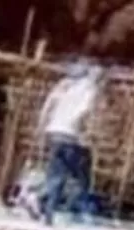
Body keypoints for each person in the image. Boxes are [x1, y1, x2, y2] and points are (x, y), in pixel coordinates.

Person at [35, 67, 100, 222]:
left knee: (57, 173)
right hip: (70, 135)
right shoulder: (90, 89)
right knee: (79, 174)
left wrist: (41, 126)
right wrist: (84, 131)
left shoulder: (65, 86)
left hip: (55, 132)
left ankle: (48, 212)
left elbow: (47, 106)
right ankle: (40, 198)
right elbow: (85, 112)